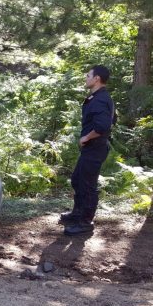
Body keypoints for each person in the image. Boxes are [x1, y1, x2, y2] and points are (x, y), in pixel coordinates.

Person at [60, 65, 115, 236]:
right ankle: (77, 214)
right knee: (77, 180)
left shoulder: (100, 99)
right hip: (92, 149)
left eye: (88, 75)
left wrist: (87, 137)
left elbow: (103, 126)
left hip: (95, 148)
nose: (86, 77)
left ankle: (85, 222)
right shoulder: (97, 97)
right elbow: (112, 119)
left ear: (97, 78)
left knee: (88, 185)